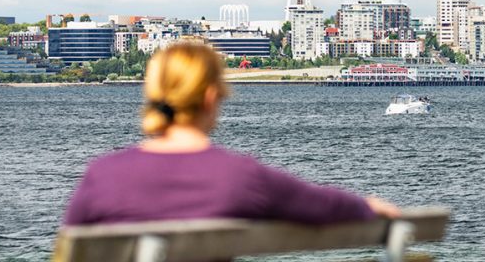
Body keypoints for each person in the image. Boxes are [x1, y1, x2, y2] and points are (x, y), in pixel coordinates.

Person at [63, 43, 400, 226]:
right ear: (211, 96)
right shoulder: (239, 177)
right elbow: (323, 206)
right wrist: (369, 205)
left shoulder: (102, 175)